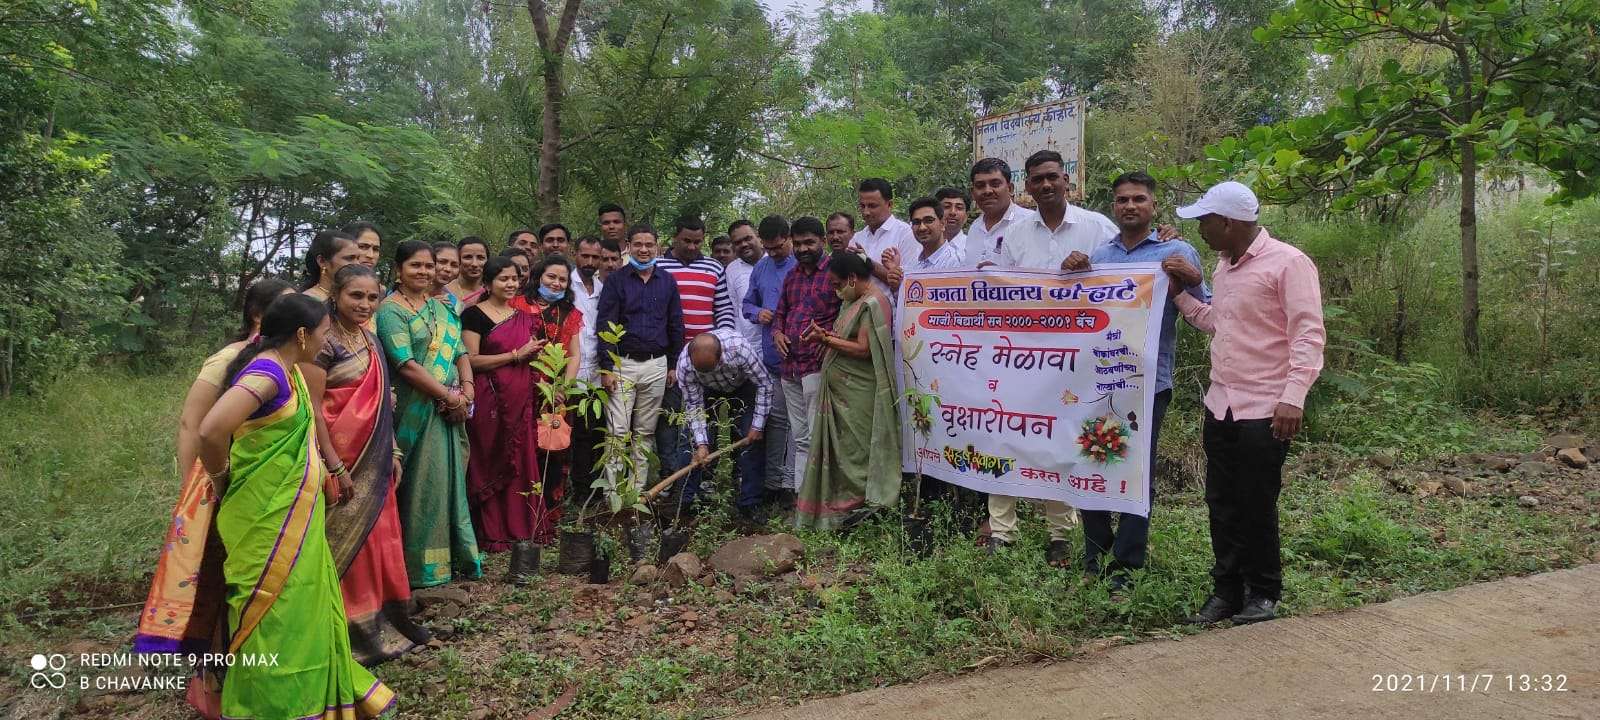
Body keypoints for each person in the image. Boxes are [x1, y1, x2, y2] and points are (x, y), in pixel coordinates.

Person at [196, 293, 394, 719]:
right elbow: (211, 430)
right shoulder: (267, 373)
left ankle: (310, 696)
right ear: (302, 335)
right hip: (264, 515)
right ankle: (269, 704)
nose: (326, 342)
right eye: (323, 333)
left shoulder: (288, 370)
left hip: (295, 511)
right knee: (273, 610)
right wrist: (220, 477)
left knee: (300, 603)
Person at [1165, 181, 1325, 625]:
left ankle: (1264, 592)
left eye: (1205, 222)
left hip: (1265, 408)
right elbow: (1218, 321)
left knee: (1256, 500)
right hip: (1222, 404)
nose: (1201, 231)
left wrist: (1293, 397)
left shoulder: (1288, 263)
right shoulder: (1225, 267)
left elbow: (1308, 334)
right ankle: (1227, 591)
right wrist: (1179, 295)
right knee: (1221, 501)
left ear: (1228, 222)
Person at [135, 280, 294, 714]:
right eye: (285, 307)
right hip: (222, 485)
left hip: (265, 492)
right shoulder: (228, 360)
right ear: (259, 316)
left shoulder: (285, 361)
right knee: (219, 584)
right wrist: (200, 490)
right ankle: (218, 682)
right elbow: (193, 425)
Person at [1063, 171, 1209, 589]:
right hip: (1096, 381)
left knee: (1135, 472)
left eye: (1139, 199)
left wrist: (1193, 280)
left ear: (1153, 205)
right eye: (1123, 199)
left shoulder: (1176, 250)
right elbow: (1076, 313)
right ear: (1114, 205)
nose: (1130, 206)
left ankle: (1125, 567)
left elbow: (1206, 313)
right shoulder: (1100, 255)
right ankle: (1095, 556)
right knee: (1090, 459)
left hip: (1148, 383)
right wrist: (1071, 274)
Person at [983, 150, 1117, 564]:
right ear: (1027, 186)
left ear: (1066, 180)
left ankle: (1060, 533)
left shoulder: (1097, 227)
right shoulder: (1016, 235)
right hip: (1021, 357)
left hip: (1078, 361)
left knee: (1060, 441)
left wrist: (1091, 270)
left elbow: (1128, 273)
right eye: (1037, 179)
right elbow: (1003, 293)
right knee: (1003, 433)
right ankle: (1002, 531)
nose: (1045, 185)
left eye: (1052, 177)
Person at [303, 265, 433, 665]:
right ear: (335, 296)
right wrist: (334, 465)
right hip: (340, 461)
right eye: (355, 296)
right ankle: (343, 628)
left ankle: (382, 619)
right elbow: (314, 410)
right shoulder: (321, 344)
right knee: (341, 542)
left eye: (372, 297)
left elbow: (380, 407)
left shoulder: (372, 340)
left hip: (375, 459)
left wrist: (392, 451)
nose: (364, 304)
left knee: (379, 540)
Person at [377, 240, 484, 588]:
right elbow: (405, 364)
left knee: (448, 483)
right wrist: (448, 396)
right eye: (415, 265)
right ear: (398, 270)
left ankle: (453, 558)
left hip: (449, 410)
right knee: (422, 485)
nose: (423, 271)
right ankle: (418, 568)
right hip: (416, 411)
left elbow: (460, 352)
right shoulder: (390, 311)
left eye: (428, 265)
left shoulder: (441, 307)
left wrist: (467, 392)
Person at [795, 250, 902, 530]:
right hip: (841, 393)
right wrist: (826, 335)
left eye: (837, 284)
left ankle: (861, 510)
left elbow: (864, 349)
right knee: (842, 453)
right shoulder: (852, 301)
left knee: (858, 452)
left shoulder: (874, 303)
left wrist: (825, 340)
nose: (835, 290)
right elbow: (846, 337)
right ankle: (839, 512)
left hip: (860, 394)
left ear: (852, 278)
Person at [461, 257, 553, 559]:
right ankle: (492, 531)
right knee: (489, 457)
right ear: (488, 284)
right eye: (503, 279)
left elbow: (532, 357)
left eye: (514, 279)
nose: (511, 284)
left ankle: (522, 528)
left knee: (522, 460)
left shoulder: (523, 317)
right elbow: (470, 360)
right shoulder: (474, 315)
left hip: (520, 399)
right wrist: (515, 355)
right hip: (489, 399)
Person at [596, 224, 685, 495]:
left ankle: (636, 492)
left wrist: (673, 365)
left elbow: (676, 324)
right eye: (638, 244)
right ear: (629, 246)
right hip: (622, 364)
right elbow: (605, 324)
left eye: (649, 244)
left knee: (645, 432)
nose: (644, 250)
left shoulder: (667, 281)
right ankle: (612, 493)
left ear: (657, 246)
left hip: (657, 365)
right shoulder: (616, 281)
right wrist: (607, 367)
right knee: (617, 430)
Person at [655, 215, 736, 492]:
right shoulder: (659, 266)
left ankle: (703, 478)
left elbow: (724, 310)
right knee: (670, 418)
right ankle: (670, 476)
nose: (692, 247)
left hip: (705, 359)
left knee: (705, 418)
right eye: (686, 241)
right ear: (674, 237)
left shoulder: (713, 267)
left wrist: (719, 345)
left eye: (698, 242)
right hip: (671, 358)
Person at [769, 216, 840, 510]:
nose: (802, 249)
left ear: (822, 241)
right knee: (800, 437)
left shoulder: (835, 271)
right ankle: (803, 500)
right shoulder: (792, 275)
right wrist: (777, 333)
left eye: (809, 242)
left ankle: (822, 502)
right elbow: (780, 313)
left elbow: (848, 311)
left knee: (818, 435)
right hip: (790, 367)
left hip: (816, 366)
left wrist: (831, 338)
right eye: (797, 243)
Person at [676, 328, 773, 526]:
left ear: (720, 357)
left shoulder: (739, 348)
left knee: (751, 442)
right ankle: (688, 503)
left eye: (712, 368)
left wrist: (757, 426)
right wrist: (702, 444)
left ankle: (750, 502)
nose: (709, 373)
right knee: (690, 443)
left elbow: (764, 384)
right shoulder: (685, 365)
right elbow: (694, 406)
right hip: (706, 390)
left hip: (743, 385)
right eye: (702, 370)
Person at [511, 254, 585, 495]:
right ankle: (519, 505)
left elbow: (574, 355)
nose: (556, 283)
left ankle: (549, 509)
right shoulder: (516, 305)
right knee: (518, 448)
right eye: (551, 277)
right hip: (519, 386)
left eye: (562, 280)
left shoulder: (570, 313)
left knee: (553, 450)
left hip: (555, 393)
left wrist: (564, 387)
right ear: (538, 277)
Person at [742, 215, 797, 505]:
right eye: (768, 248)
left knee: (800, 427)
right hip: (772, 362)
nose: (773, 253)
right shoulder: (761, 268)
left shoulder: (802, 265)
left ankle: (794, 483)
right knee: (776, 422)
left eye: (778, 247)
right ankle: (775, 483)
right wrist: (757, 313)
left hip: (801, 361)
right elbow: (747, 304)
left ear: (789, 238)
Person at [568, 236, 608, 491]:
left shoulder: (603, 289)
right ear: (575, 254)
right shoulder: (566, 285)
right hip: (571, 367)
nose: (590, 262)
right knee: (578, 431)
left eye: (595, 257)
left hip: (597, 368)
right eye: (585, 256)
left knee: (597, 429)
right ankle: (579, 487)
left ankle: (596, 486)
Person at [849, 178, 917, 301]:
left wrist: (868, 264)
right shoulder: (857, 238)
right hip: (860, 310)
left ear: (890, 204)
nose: (866, 212)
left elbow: (910, 284)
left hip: (894, 311)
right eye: (862, 206)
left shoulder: (906, 234)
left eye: (872, 206)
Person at [966, 158, 1038, 269]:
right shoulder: (975, 228)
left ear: (1010, 188)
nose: (987, 191)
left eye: (995, 184)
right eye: (980, 186)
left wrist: (1002, 275)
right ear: (973, 193)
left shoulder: (1032, 223)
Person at [725, 220, 763, 351]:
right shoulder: (731, 270)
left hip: (778, 345)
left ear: (758, 236)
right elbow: (735, 310)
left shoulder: (775, 261)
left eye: (748, 238)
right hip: (747, 348)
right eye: (737, 242)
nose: (744, 244)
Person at [905, 196, 966, 271]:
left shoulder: (955, 263)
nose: (922, 228)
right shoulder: (914, 262)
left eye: (929, 220)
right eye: (916, 222)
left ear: (942, 224)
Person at [301, 230, 360, 301]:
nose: (357, 264)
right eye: (349, 258)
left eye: (358, 258)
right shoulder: (305, 302)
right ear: (322, 261)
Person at [447, 236, 490, 305]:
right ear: (457, 259)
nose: (474, 264)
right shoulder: (445, 292)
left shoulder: (494, 293)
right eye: (468, 257)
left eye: (480, 258)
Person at [934, 186, 970, 257]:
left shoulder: (974, 248)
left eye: (959, 208)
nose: (953, 212)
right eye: (946, 207)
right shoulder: (921, 245)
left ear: (966, 216)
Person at [431, 241, 463, 313]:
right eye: (442, 262)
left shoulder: (454, 304)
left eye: (454, 265)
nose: (448, 269)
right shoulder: (409, 294)